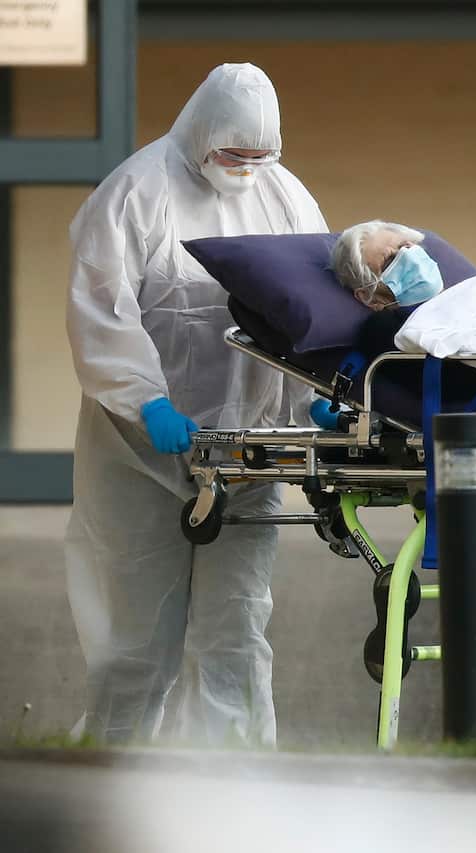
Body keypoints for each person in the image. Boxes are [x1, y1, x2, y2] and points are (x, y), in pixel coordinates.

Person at [65, 63, 328, 745]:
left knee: (235, 632)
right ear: (202, 133)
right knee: (135, 640)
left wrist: (319, 400)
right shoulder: (135, 192)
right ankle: (110, 789)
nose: (245, 169)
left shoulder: (286, 198)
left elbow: (310, 316)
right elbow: (102, 313)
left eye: (258, 157)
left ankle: (230, 798)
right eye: (234, 154)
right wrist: (146, 401)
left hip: (247, 453)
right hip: (140, 454)